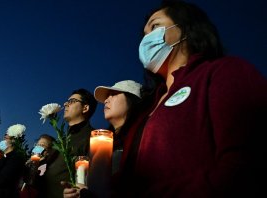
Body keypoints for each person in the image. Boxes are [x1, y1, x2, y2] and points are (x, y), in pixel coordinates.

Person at [119, 1, 266, 197]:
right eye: (144, 35)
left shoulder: (224, 72)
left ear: (185, 28)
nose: (147, 38)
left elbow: (247, 166)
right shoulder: (146, 107)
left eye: (154, 26)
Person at [62, 80, 144, 198]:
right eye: (106, 97)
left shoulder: (141, 140)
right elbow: (88, 184)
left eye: (114, 94)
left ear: (133, 100)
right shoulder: (101, 141)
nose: (106, 100)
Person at [43, 88, 97, 198]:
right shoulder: (62, 139)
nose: (65, 104)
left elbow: (91, 182)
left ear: (85, 108)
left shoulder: (92, 138)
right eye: (67, 101)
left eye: (72, 101)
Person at [21, 133, 56, 198]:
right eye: (38, 144)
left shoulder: (48, 165)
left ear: (49, 151)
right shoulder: (30, 161)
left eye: (42, 145)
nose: (39, 147)